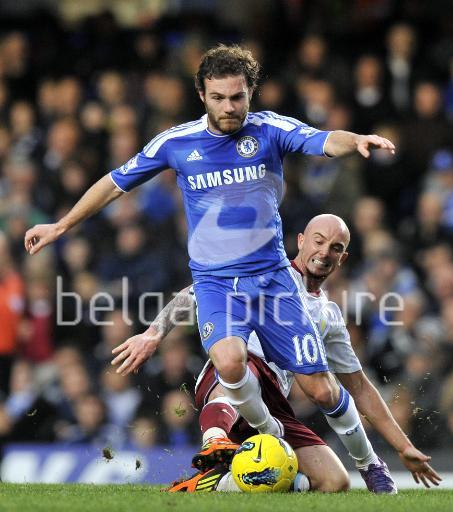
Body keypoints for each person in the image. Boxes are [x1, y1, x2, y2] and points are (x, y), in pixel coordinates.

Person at [26, 45, 397, 489]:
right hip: (216, 282)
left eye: (237, 97)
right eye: (218, 97)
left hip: (273, 280)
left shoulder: (269, 130)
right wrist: (62, 225)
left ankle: (369, 465)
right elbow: (114, 183)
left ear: (250, 93)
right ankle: (268, 435)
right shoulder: (176, 143)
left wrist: (355, 141)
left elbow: (322, 140)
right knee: (229, 360)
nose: (229, 107)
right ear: (201, 94)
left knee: (319, 389)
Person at [112, 214, 441, 493]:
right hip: (229, 375)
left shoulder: (328, 316)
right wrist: (153, 333)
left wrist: (404, 446)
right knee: (240, 367)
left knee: (334, 482)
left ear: (343, 258)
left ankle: (217, 483)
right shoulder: (263, 272)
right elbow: (194, 293)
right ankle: (214, 439)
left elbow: (360, 387)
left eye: (335, 248)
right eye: (318, 241)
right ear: (301, 241)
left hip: (274, 407)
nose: (324, 252)